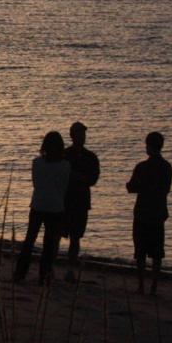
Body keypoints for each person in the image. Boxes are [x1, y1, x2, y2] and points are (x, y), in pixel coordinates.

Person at [13, 131, 71, 284]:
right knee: (49, 244)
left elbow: (36, 183)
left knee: (29, 241)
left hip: (38, 204)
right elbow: (64, 187)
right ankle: (43, 276)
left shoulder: (37, 163)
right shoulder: (65, 166)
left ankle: (20, 273)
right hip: (55, 207)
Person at [126, 131, 172, 295]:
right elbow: (165, 189)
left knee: (141, 251)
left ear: (149, 146)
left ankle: (141, 285)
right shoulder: (166, 167)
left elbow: (131, 187)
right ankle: (153, 285)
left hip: (143, 213)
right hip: (158, 213)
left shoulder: (142, 167)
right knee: (156, 253)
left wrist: (142, 186)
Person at [63, 121, 100, 282]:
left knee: (76, 237)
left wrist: (75, 176)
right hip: (65, 201)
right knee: (57, 234)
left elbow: (93, 179)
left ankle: (70, 269)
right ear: (72, 135)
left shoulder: (90, 157)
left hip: (81, 202)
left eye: (83, 134)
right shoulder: (64, 155)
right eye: (79, 134)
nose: (82, 137)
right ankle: (51, 266)